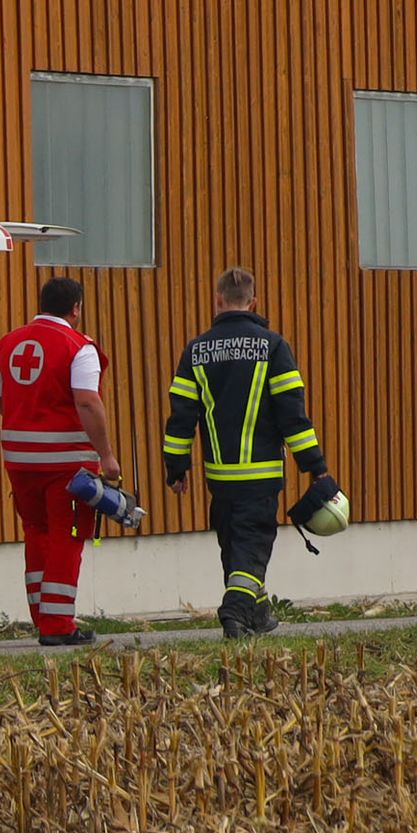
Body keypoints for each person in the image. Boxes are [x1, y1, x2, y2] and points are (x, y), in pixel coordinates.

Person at [163, 265, 328, 637]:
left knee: (234, 545)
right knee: (252, 544)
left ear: (217, 300)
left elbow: (181, 417)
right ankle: (235, 612)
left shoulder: (196, 350)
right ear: (254, 302)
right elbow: (293, 415)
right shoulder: (272, 346)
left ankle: (258, 613)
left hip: (219, 477)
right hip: (261, 474)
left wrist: (176, 468)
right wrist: (315, 467)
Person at [0, 275, 118, 649]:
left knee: (36, 531)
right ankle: (59, 622)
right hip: (68, 463)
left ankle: (42, 615)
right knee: (70, 533)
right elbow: (87, 402)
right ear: (76, 308)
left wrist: (25, 419)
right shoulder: (79, 347)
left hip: (18, 459)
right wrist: (107, 456)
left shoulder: (9, 342)